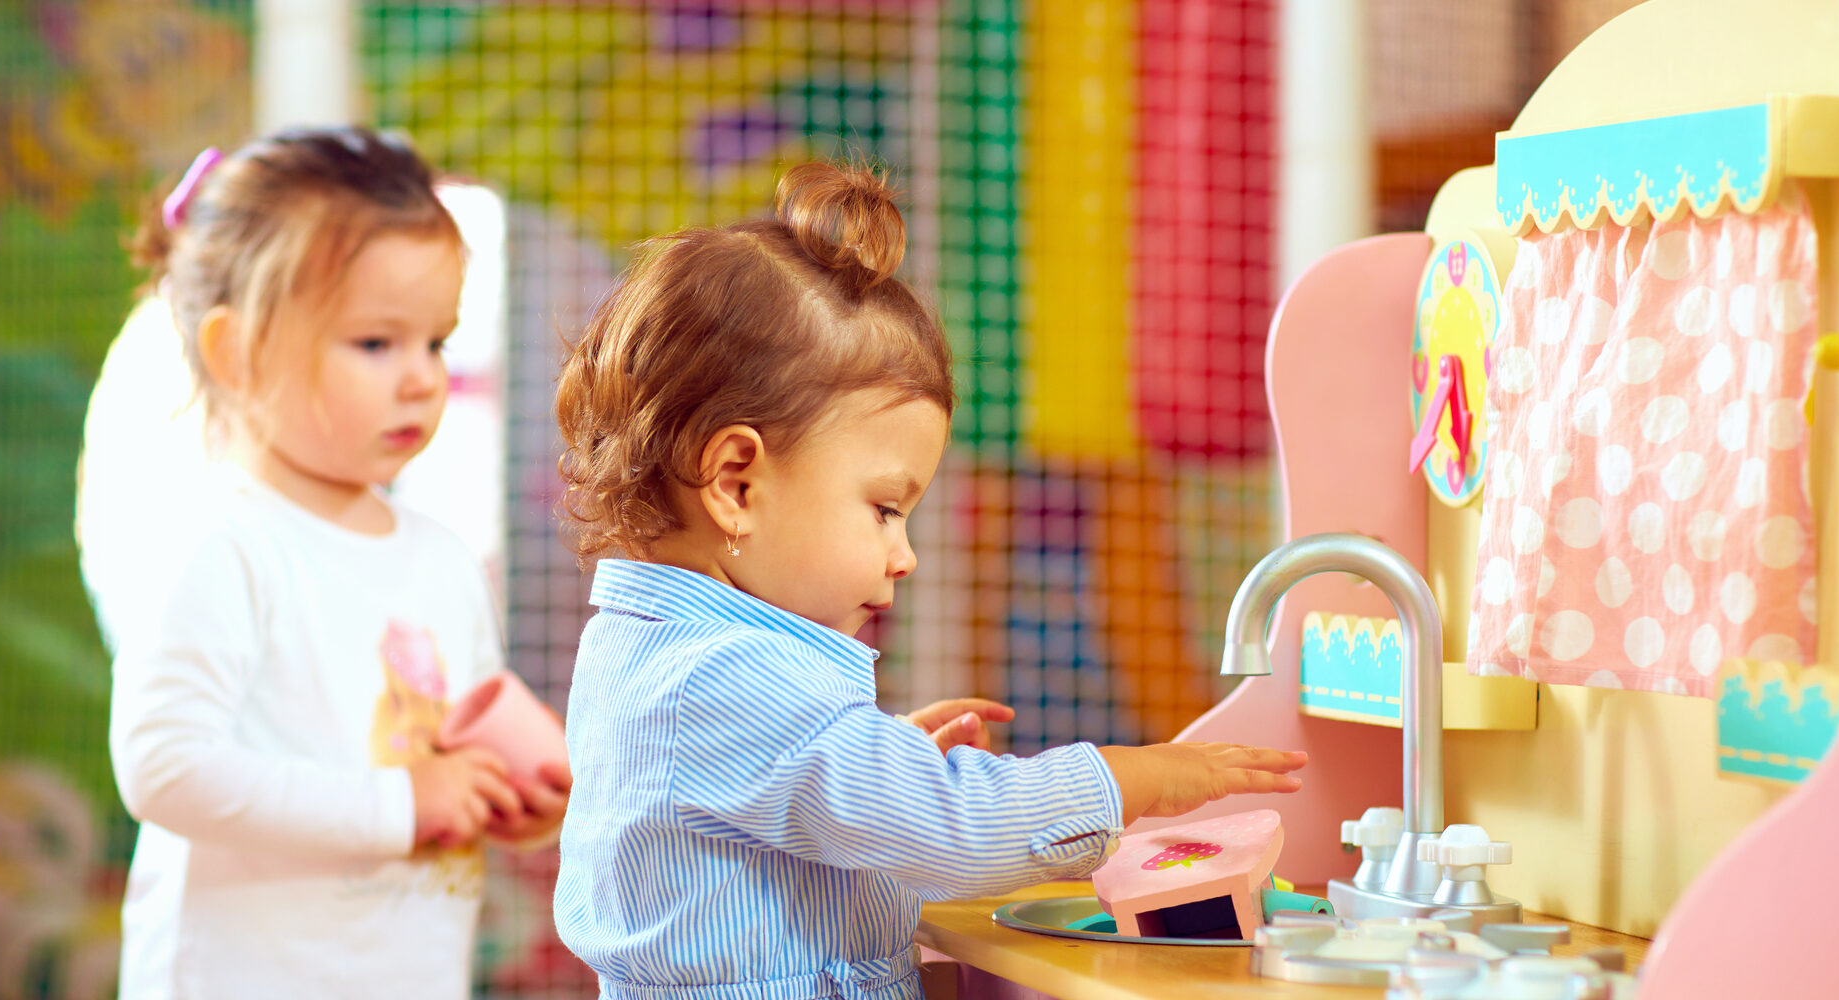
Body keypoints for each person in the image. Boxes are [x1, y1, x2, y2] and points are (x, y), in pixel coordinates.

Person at [549, 161, 1309, 1000]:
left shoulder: (652, 650)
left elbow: (771, 811)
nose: (904, 554)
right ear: (736, 483)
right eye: (883, 509)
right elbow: (952, 831)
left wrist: (883, 758)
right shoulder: (724, 676)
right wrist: (1135, 778)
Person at [106, 125, 570, 1000]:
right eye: (375, 344)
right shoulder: (223, 545)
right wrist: (406, 804)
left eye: (435, 341)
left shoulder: (439, 559)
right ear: (236, 354)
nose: (421, 379)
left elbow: (445, 760)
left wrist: (515, 803)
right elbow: (162, 767)